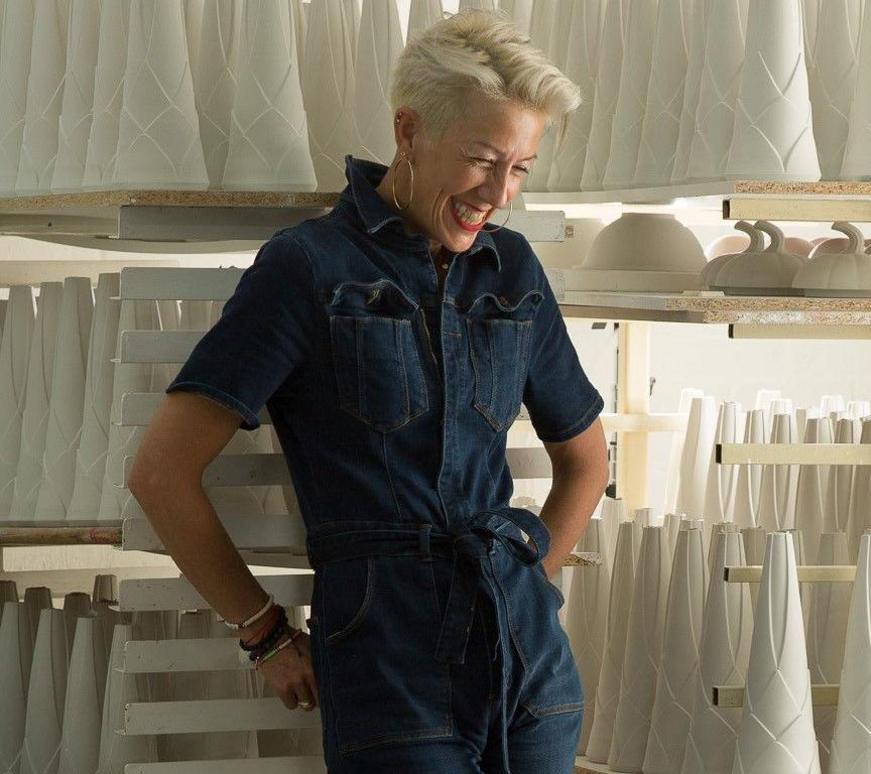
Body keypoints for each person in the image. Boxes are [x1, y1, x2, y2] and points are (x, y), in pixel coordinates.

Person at [129, 10, 607, 772]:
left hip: (531, 668)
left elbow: (587, 462)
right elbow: (159, 473)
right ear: (409, 130)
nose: (499, 193)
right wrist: (263, 631)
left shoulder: (513, 270)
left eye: (520, 167)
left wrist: (530, 581)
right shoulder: (307, 268)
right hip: (388, 668)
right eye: (483, 158)